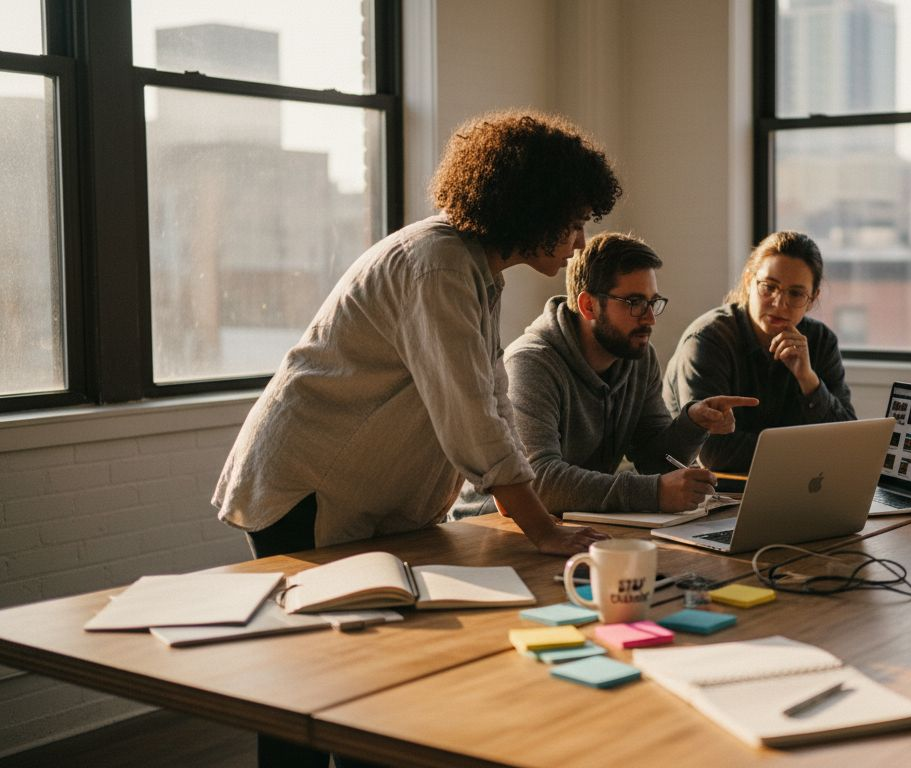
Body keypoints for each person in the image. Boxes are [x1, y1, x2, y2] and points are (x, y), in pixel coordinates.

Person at [212, 109, 620, 767]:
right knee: (309, 684)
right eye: (573, 221)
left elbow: (488, 400)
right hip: (311, 488)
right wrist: (541, 529)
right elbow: (470, 417)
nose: (578, 242)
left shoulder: (474, 268)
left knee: (363, 678)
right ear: (531, 207)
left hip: (352, 492)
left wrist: (534, 515)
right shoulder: (437, 264)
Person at [454, 232, 757, 518]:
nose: (650, 318)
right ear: (588, 306)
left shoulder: (638, 357)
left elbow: (653, 459)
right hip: (495, 529)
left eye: (653, 302)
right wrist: (654, 493)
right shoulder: (531, 363)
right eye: (635, 303)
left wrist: (692, 424)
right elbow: (538, 481)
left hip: (576, 523)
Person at [663, 230, 856, 474]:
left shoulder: (821, 341)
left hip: (793, 487)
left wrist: (809, 381)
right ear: (748, 281)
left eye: (796, 293)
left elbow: (848, 443)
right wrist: (811, 452)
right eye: (769, 287)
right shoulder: (708, 340)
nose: (779, 303)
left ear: (812, 299)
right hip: (710, 493)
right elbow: (713, 452)